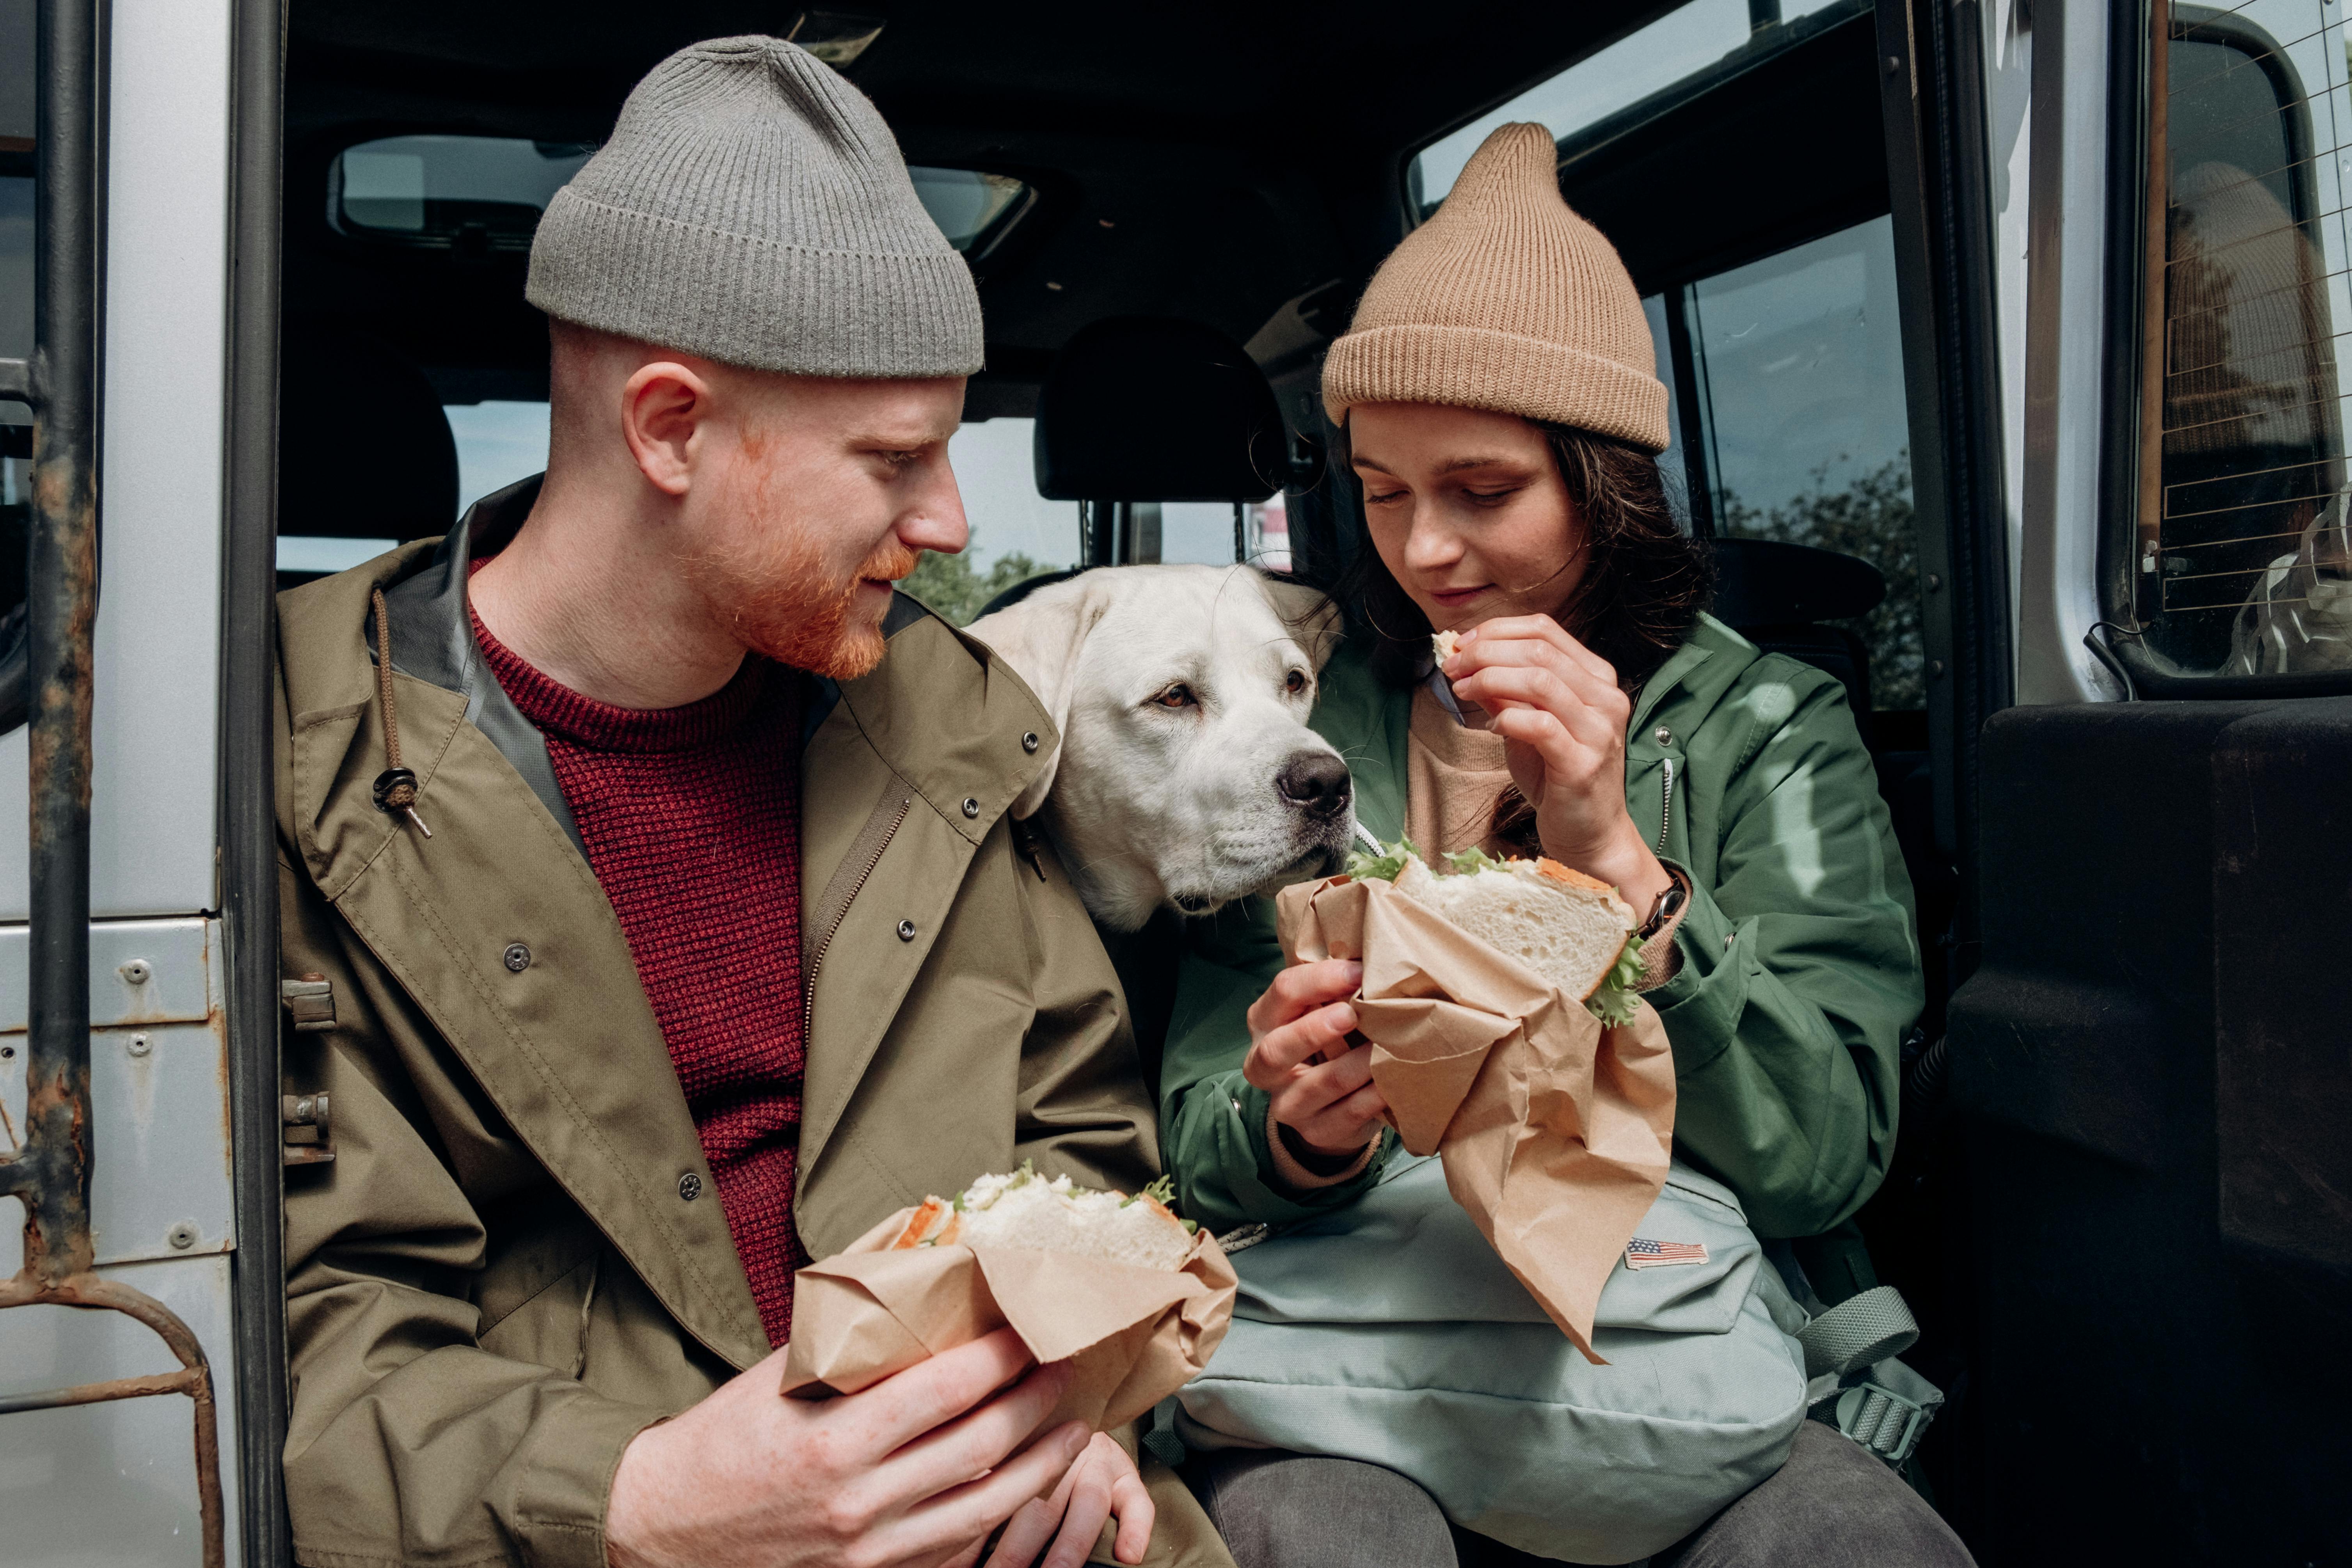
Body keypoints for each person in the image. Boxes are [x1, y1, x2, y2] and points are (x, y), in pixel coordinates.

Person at [273, 37, 1226, 1568]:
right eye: (893, 460)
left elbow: (1081, 1166)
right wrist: (632, 1503)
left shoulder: (955, 733)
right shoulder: (287, 770)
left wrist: (1087, 1409)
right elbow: (297, 1338)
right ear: (669, 428)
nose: (951, 523)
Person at [1156, 124, 1973, 1565]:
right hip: (1358, 1331)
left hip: (1683, 1322)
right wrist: (1289, 1127)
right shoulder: (1301, 729)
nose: (1422, 552)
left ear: (1603, 484)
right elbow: (1199, 1125)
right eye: (1382, 489)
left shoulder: (1765, 721)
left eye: (1481, 491)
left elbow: (1822, 1162)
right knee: (1318, 1539)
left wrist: (1611, 851)